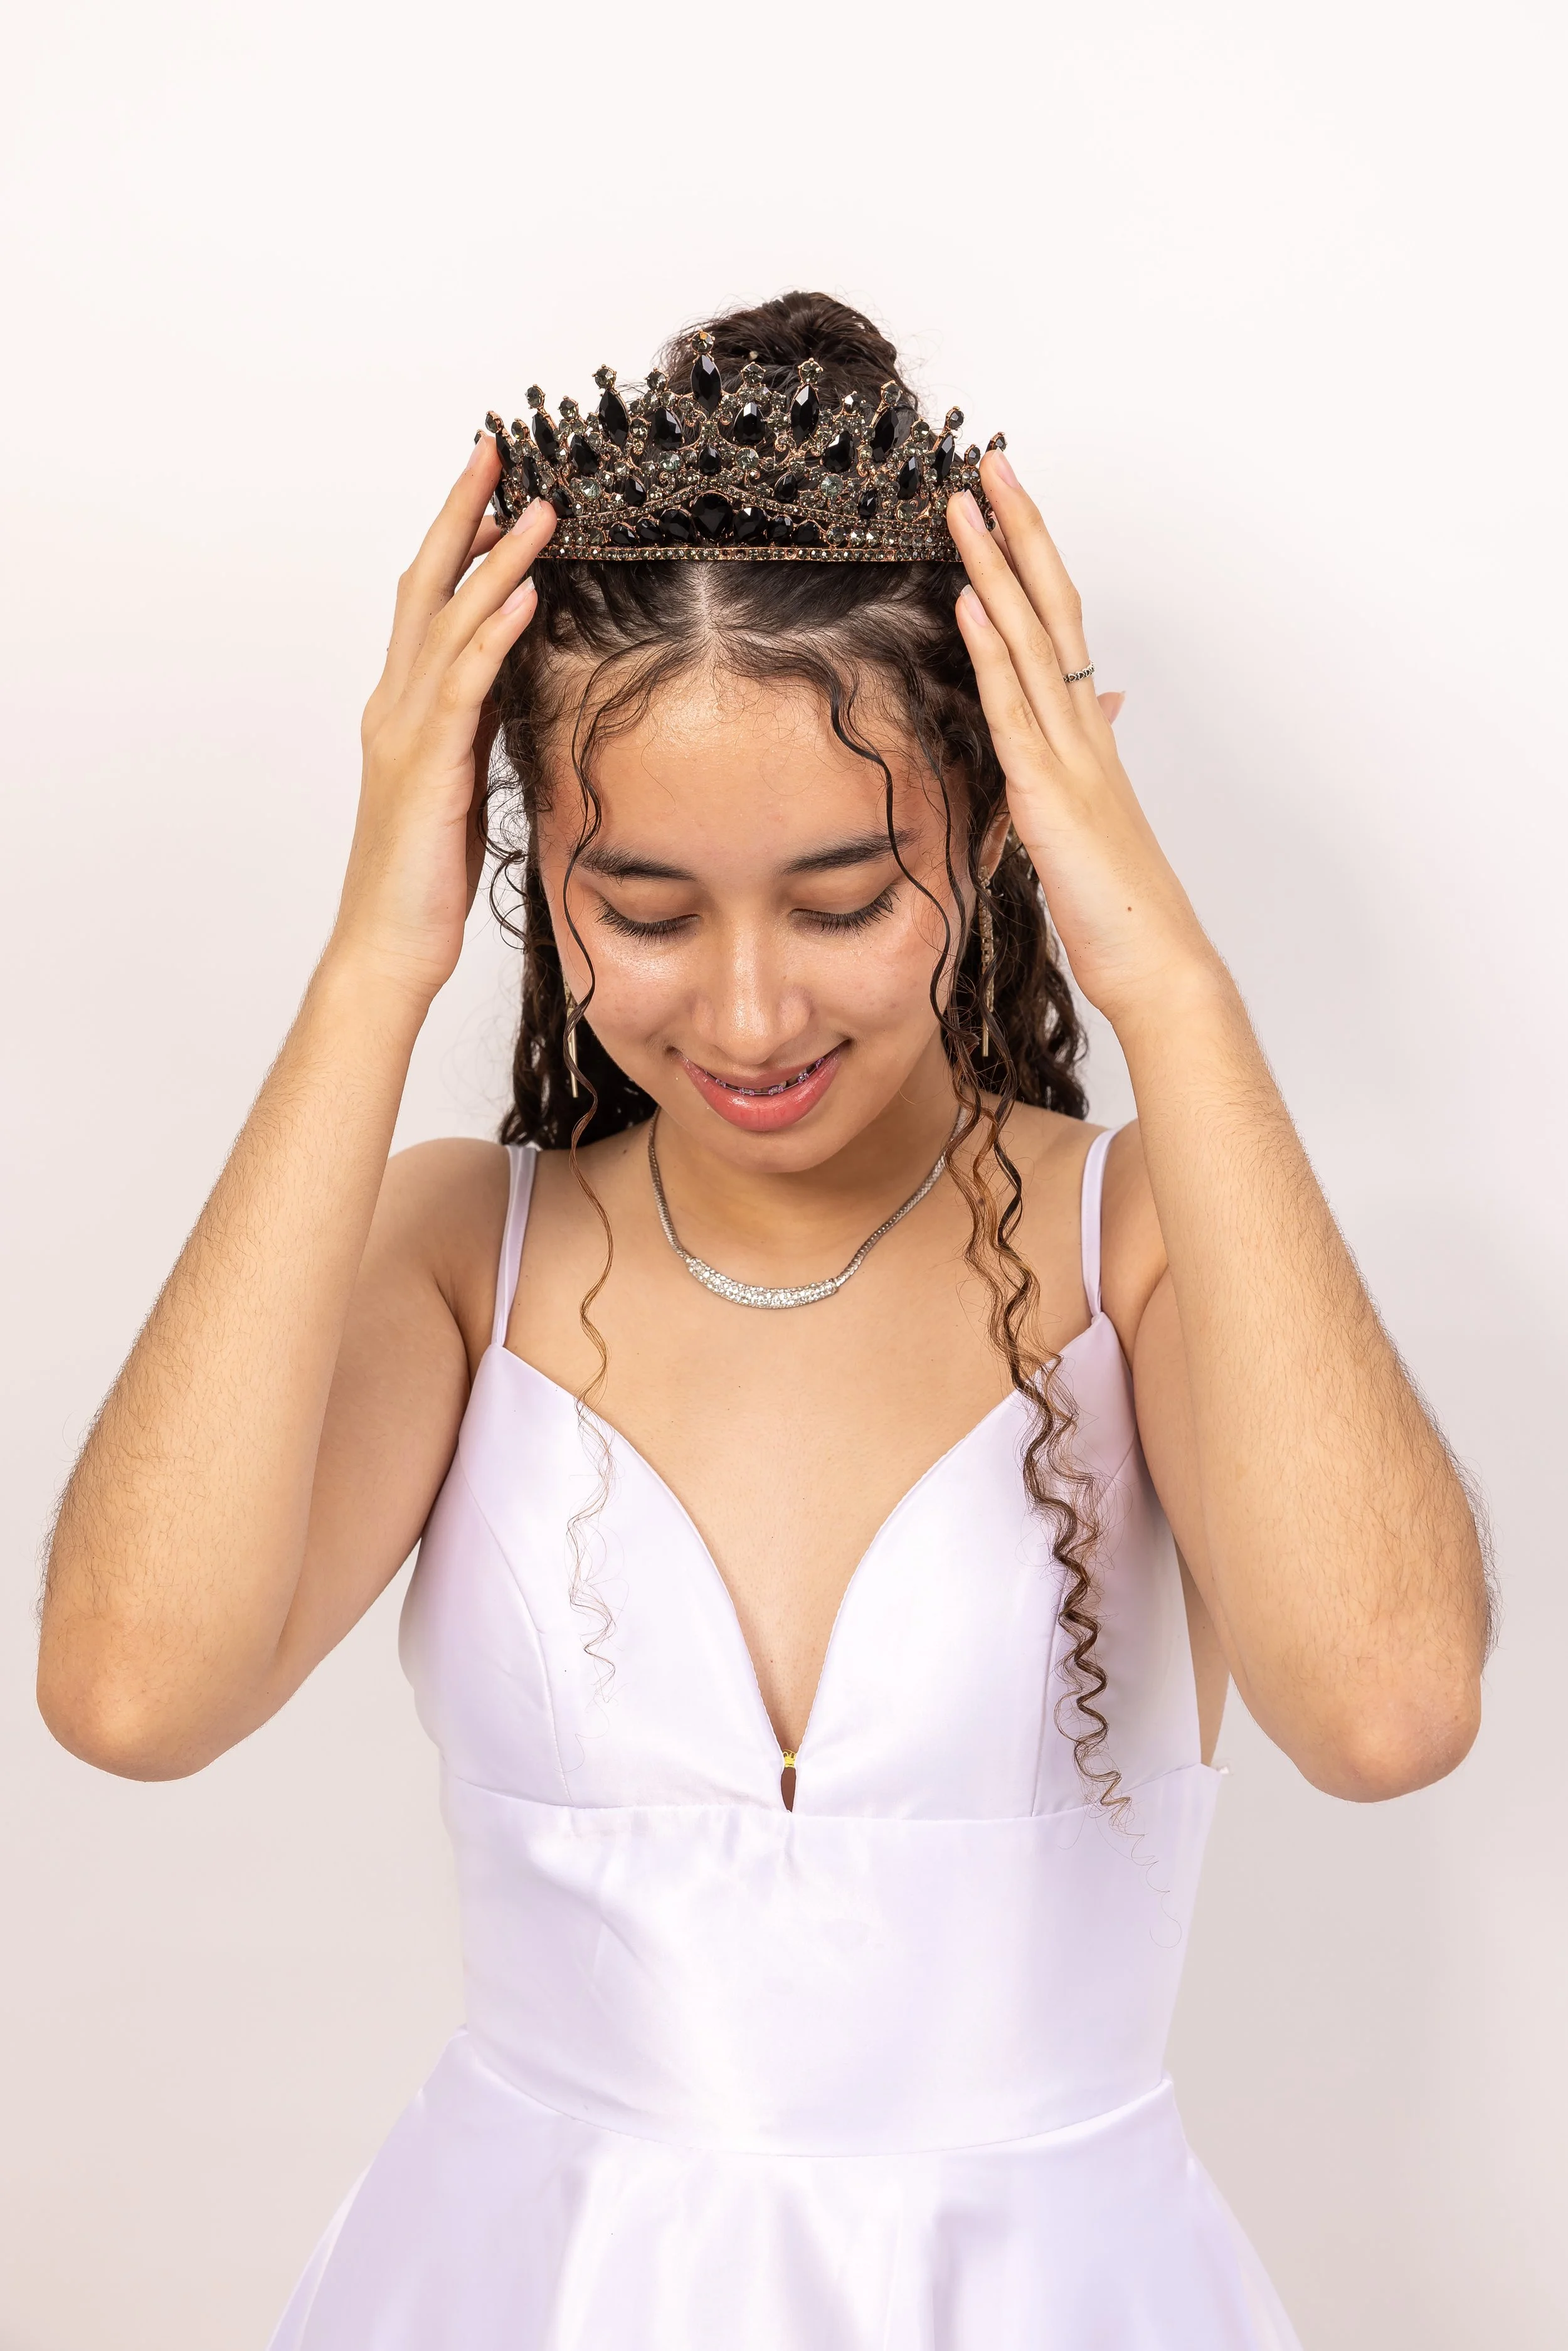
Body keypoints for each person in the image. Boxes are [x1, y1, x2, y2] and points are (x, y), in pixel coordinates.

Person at [37, 292, 1490, 2348]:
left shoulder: (1143, 1235)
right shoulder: (468, 1251)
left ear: (991, 834)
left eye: (837, 899)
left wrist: (1165, 971)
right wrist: (378, 951)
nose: (742, 1012)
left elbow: (1387, 1708)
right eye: (642, 909)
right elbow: (128, 1692)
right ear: (545, 879)